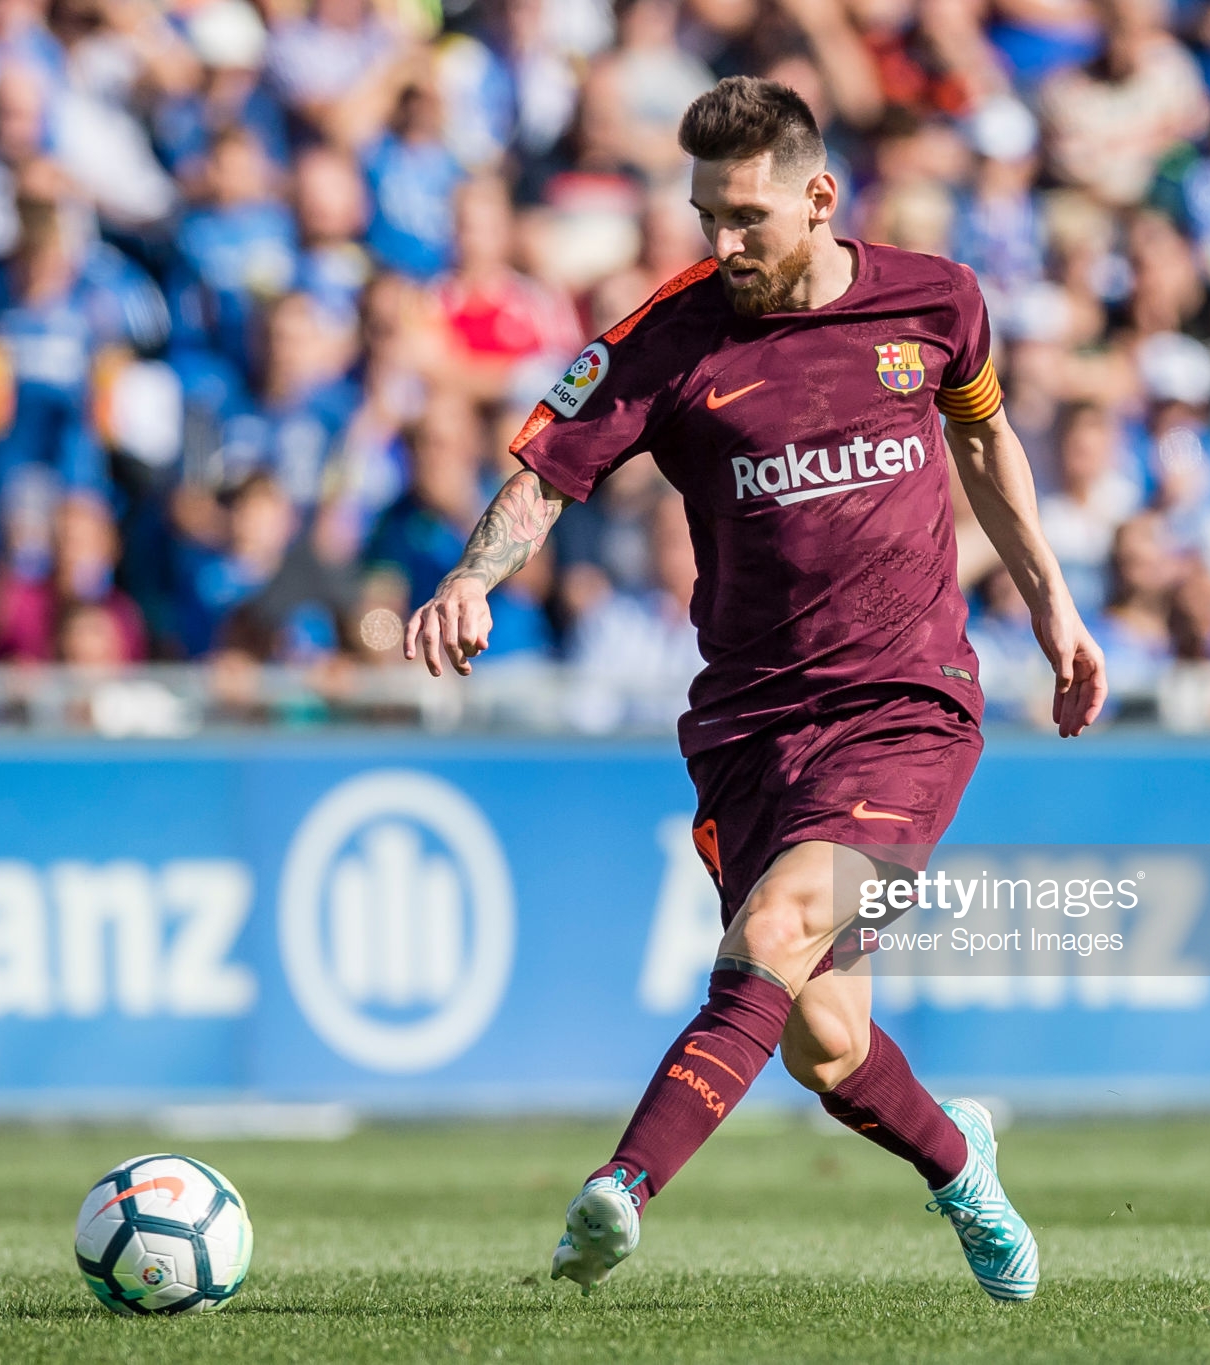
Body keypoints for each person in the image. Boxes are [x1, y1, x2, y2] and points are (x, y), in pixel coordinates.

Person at [402, 77, 1104, 1299]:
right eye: (704, 217)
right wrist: (472, 575)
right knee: (824, 1043)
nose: (722, 246)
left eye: (746, 219)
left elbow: (983, 439)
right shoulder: (667, 337)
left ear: (818, 196)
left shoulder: (936, 302)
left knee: (771, 932)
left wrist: (1050, 600)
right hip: (748, 726)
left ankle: (616, 1191)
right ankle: (961, 1163)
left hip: (907, 705)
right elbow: (547, 472)